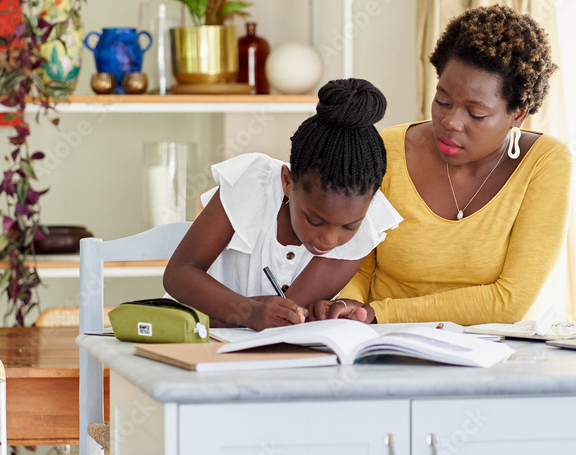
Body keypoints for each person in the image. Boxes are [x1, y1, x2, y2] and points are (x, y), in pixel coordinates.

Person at [310, 5, 572, 326]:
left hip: (489, 356)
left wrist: (380, 313)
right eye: (443, 101)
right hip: (379, 343)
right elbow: (357, 264)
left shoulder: (544, 162)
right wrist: (348, 305)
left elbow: (510, 300)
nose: (450, 122)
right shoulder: (386, 150)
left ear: (517, 113)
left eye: (475, 113)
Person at [163, 78, 403, 330]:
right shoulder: (251, 184)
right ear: (287, 181)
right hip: (190, 338)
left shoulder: (366, 225)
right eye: (314, 220)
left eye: (348, 227)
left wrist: (319, 312)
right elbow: (180, 274)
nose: (328, 240)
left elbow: (285, 319)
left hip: (262, 357)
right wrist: (249, 311)